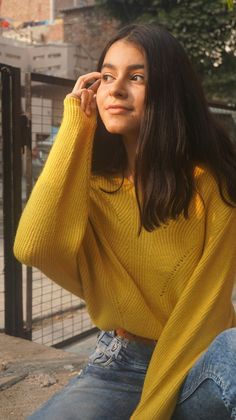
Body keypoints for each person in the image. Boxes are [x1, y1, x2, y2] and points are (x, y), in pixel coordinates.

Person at [14, 24, 236, 420]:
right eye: (107, 76)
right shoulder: (93, 186)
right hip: (120, 364)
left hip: (198, 361)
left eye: (137, 77)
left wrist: (152, 410)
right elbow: (33, 247)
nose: (115, 90)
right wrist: (75, 125)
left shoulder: (210, 186)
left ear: (169, 91)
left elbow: (204, 311)